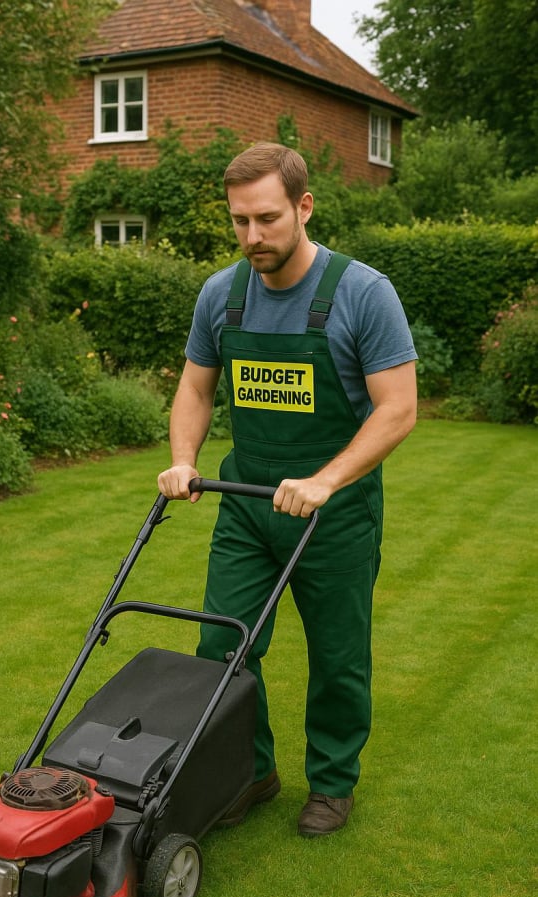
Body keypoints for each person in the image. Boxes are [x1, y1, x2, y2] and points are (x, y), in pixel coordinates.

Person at [157, 143, 417, 836]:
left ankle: (332, 783)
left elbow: (398, 408)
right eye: (238, 221)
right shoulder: (222, 292)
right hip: (245, 503)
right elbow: (194, 385)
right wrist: (184, 459)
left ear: (303, 206)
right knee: (221, 647)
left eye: (266, 219)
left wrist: (326, 479)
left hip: (331, 510)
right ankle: (252, 770)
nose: (251, 237)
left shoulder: (361, 292)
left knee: (337, 656)